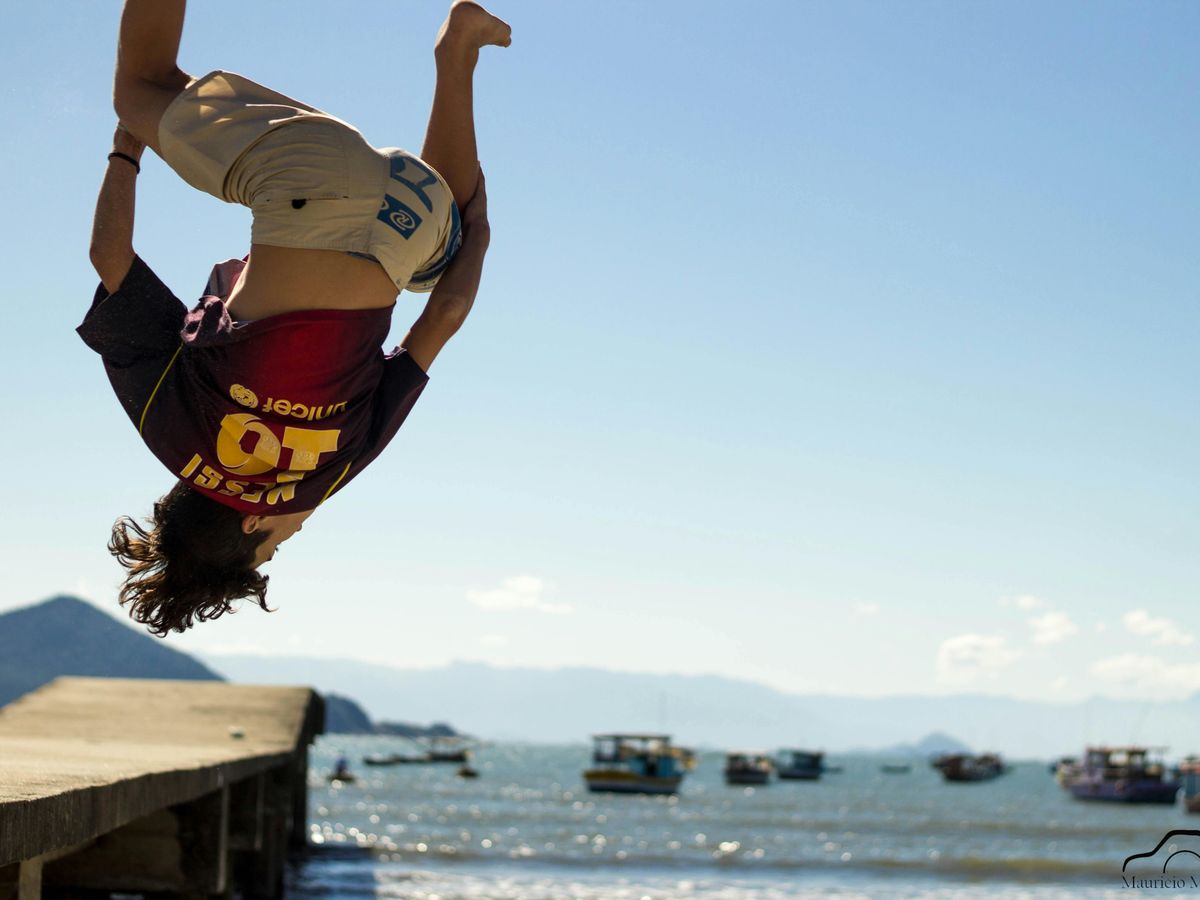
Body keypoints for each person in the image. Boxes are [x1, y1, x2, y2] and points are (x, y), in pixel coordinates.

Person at [81, 0, 510, 635]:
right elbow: (108, 258)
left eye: (278, 545)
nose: (291, 532)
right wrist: (127, 146)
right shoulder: (169, 431)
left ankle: (458, 54)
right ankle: (137, 110)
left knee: (434, 271)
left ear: (252, 524)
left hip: (405, 221)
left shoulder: (323, 479)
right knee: (139, 87)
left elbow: (445, 313)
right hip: (303, 175)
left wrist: (479, 232)